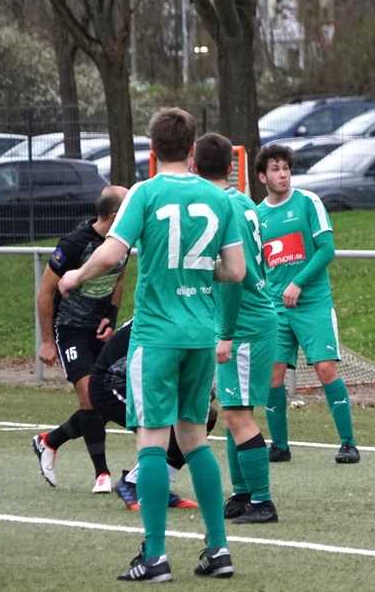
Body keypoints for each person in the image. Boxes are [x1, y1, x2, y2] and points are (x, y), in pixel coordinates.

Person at [58, 107, 246, 582]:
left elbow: (112, 253)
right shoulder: (220, 197)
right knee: (195, 439)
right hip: (200, 336)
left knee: (152, 440)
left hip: (157, 335)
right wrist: (198, 269)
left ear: (153, 150)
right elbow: (236, 271)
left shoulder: (144, 192)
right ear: (192, 149)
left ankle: (156, 556)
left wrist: (77, 274)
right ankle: (218, 550)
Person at [194, 133, 280, 524]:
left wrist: (225, 334)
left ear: (195, 168)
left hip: (244, 324)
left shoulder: (220, 208)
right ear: (231, 167)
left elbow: (232, 277)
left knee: (238, 416)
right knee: (233, 413)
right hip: (252, 318)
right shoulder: (243, 201)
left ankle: (262, 501)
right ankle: (242, 493)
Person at [255, 144, 358, 465]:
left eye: (286, 168)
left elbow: (326, 249)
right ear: (262, 176)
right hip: (276, 308)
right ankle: (280, 446)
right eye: (275, 169)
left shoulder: (308, 202)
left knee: (325, 369)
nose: (283, 174)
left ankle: (349, 444)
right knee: (273, 374)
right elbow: (259, 264)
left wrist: (298, 283)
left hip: (313, 304)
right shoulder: (257, 216)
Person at [32, 185, 129, 494]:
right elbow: (45, 292)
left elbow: (119, 276)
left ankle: (49, 441)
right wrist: (47, 341)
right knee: (89, 395)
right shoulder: (74, 244)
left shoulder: (122, 242)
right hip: (70, 328)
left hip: (98, 329)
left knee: (107, 397)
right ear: (115, 215)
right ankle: (102, 474)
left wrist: (110, 316)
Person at [88, 319, 209, 511]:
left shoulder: (186, 314)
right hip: (111, 384)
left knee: (200, 417)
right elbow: (149, 364)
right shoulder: (167, 317)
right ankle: (132, 483)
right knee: (171, 427)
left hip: (142, 381)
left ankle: (158, 486)